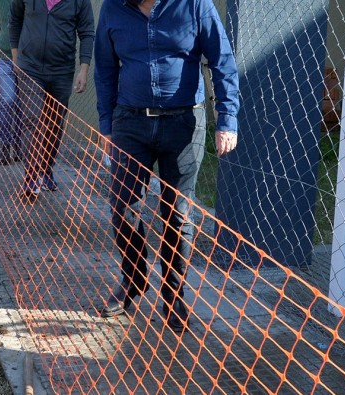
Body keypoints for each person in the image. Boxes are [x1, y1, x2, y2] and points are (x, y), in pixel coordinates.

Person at [93, 0, 240, 333]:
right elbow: (104, 68)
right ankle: (135, 278)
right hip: (130, 123)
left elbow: (223, 61)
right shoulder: (113, 8)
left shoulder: (195, 5)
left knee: (176, 213)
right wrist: (107, 126)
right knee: (123, 208)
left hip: (184, 122)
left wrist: (227, 120)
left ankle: (174, 295)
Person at [10, 0, 94, 197]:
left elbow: (87, 32)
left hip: (62, 70)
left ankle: (46, 168)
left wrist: (83, 70)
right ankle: (31, 176)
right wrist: (16, 58)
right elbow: (14, 20)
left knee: (54, 123)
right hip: (30, 67)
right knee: (31, 120)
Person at [0, 0, 21, 164]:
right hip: (3, 58)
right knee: (8, 100)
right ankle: (5, 144)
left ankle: (17, 144)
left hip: (24, 58)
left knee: (21, 105)